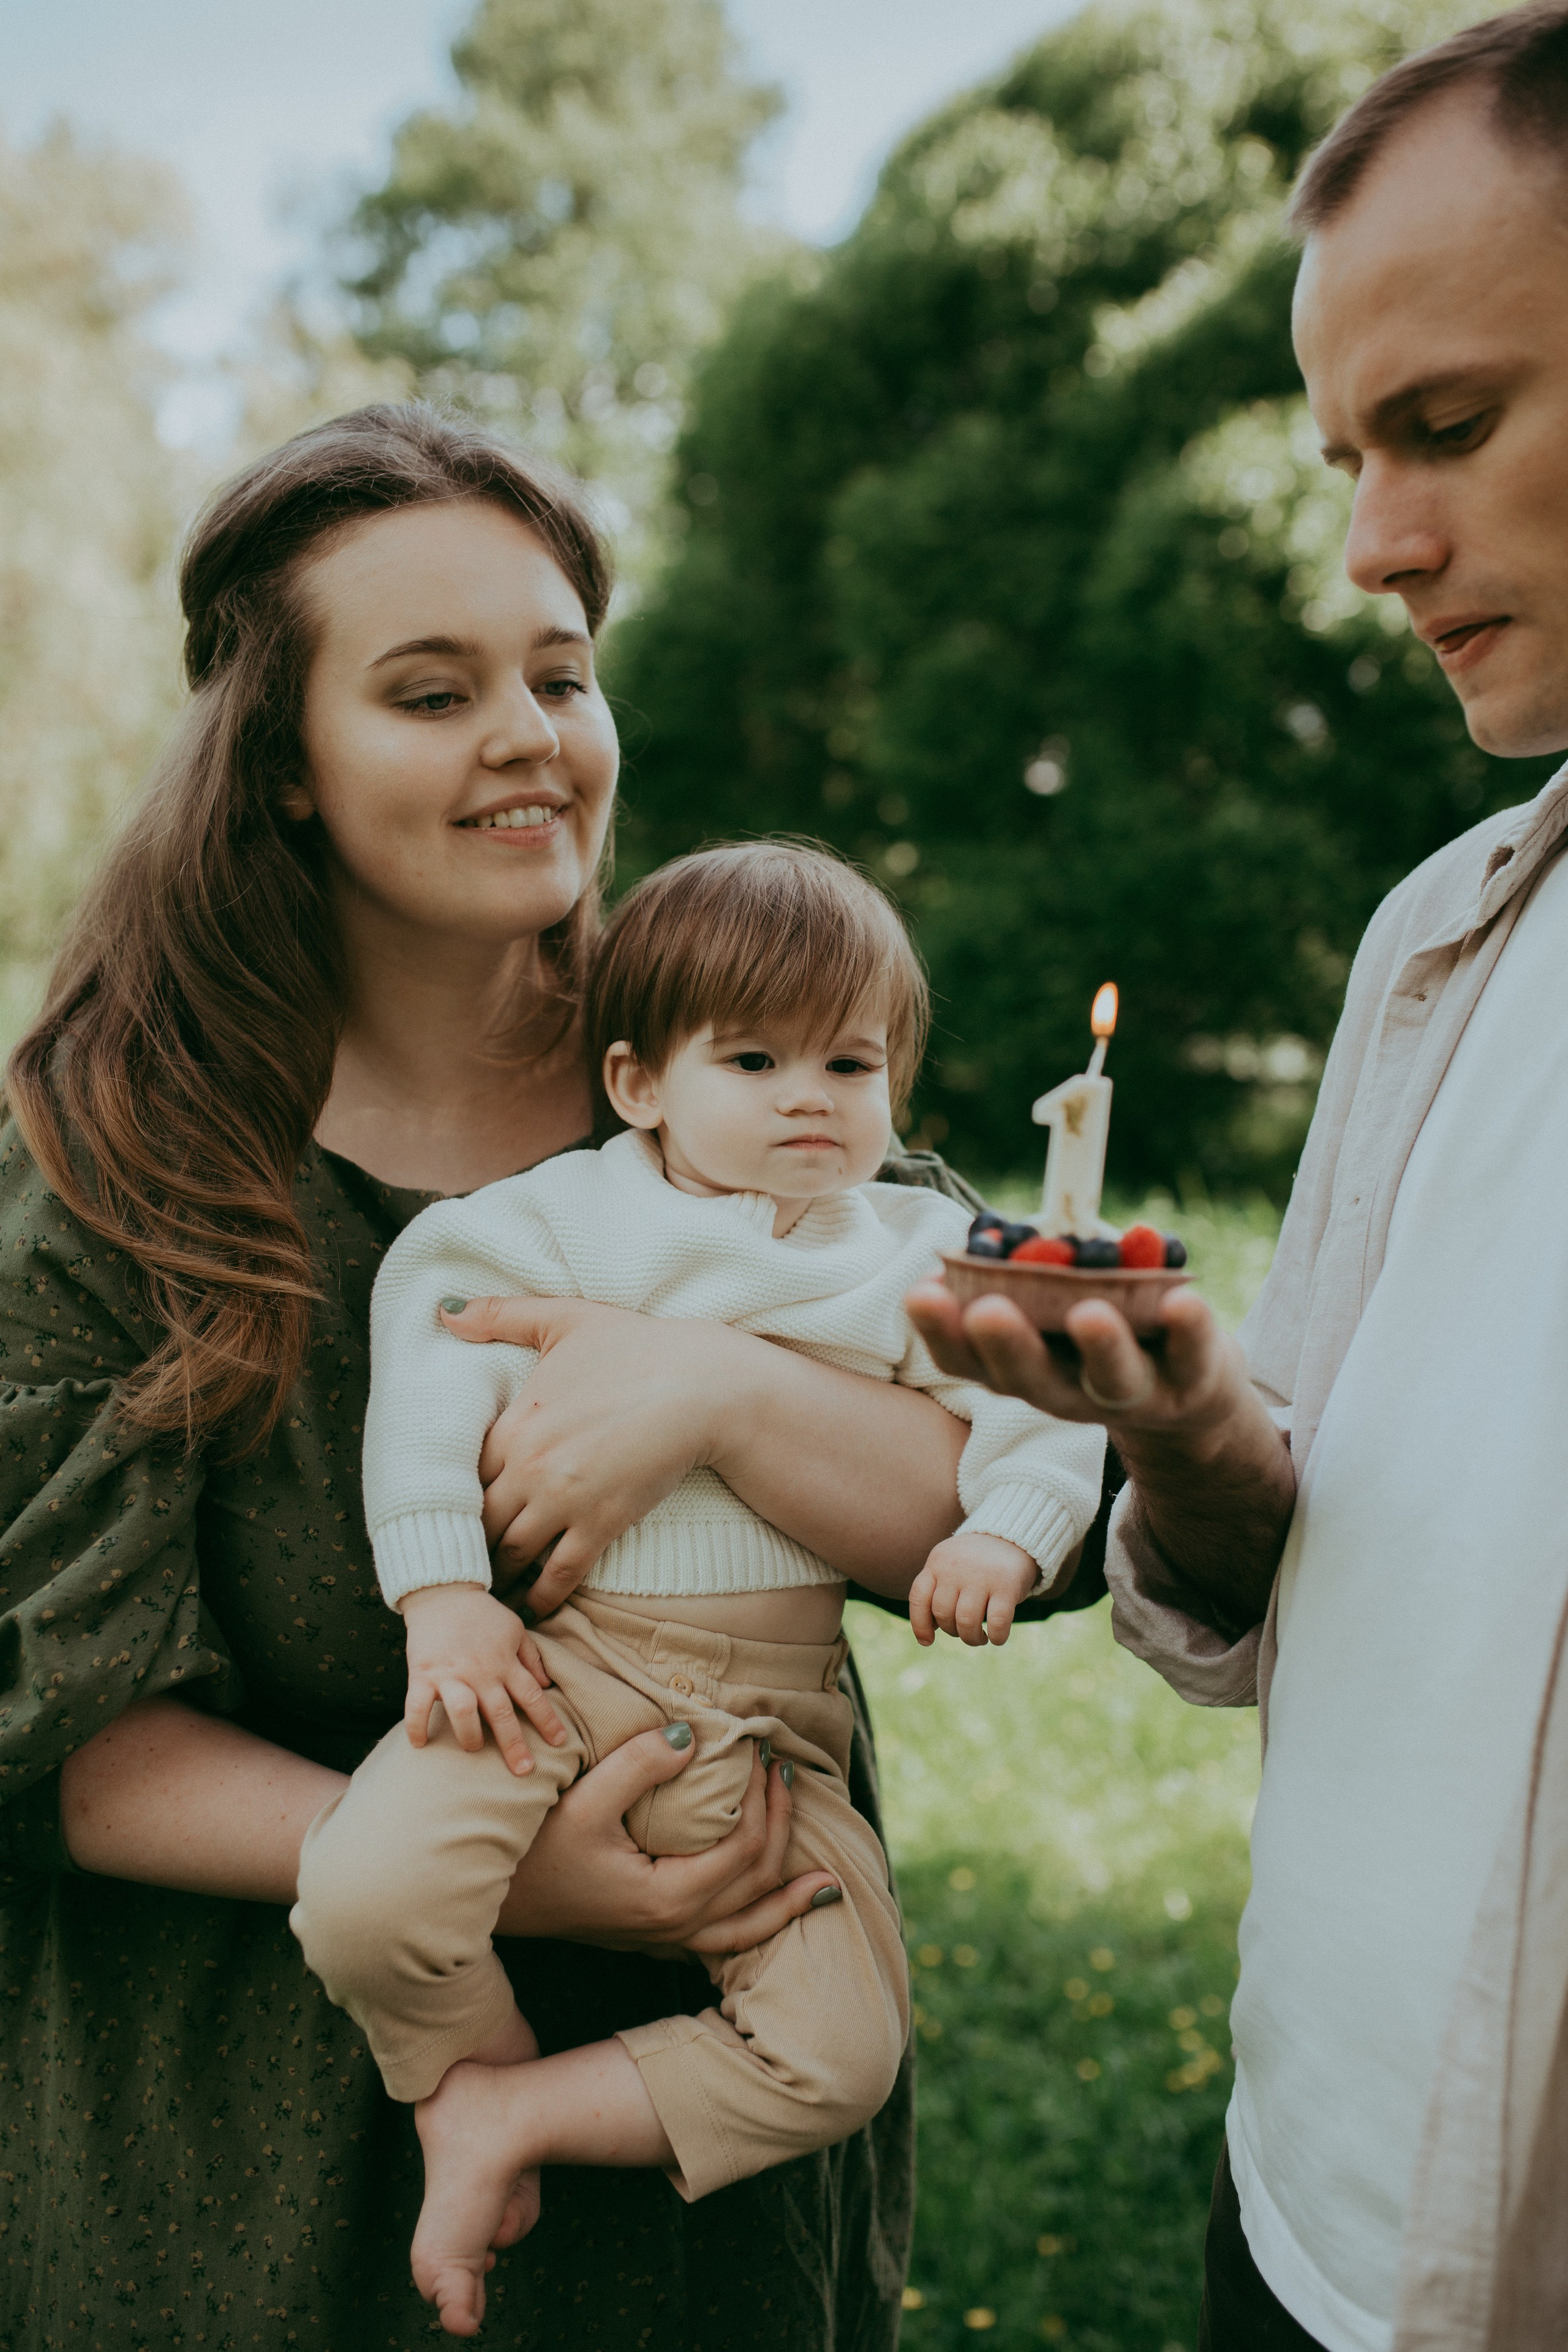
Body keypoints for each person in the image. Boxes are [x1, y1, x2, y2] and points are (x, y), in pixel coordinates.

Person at [0, 402, 1049, 2352]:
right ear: (283, 762)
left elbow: (978, 1522)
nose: (528, 736)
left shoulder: (726, 1067)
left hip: (709, 2130)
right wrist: (522, 1887)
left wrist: (717, 1394)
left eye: (561, 673)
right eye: (428, 690)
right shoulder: (110, 1164)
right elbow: (86, 1751)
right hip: (258, 2160)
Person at [908, 9, 1568, 2348]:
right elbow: (1246, 1606)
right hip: (1294, 2209)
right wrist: (1183, 1433)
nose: (1378, 544)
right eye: (1349, 453)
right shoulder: (1439, 945)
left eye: (1454, 428)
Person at [290, 840, 1102, 2332]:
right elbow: (430, 1350)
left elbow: (1043, 1393)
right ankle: (463, 2071)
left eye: (850, 1063)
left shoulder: (915, 1250)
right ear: (638, 1083)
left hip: (777, 1729)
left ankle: (527, 2116)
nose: (809, 1095)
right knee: (359, 1898)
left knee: (840, 2055)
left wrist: (1006, 1531)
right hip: (559, 1672)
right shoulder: (560, 1221)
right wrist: (441, 1595)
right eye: (753, 1056)